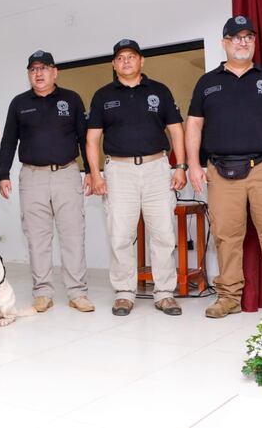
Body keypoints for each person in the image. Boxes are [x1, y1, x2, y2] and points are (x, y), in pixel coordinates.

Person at [185, 16, 262, 318]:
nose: (243, 42)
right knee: (226, 237)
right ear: (225, 43)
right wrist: (193, 165)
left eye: (248, 37)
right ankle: (228, 297)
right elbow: (194, 126)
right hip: (221, 171)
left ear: (253, 42)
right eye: (236, 37)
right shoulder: (207, 83)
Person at [86, 39, 186, 317]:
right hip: (118, 172)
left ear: (142, 61)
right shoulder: (103, 96)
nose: (126, 61)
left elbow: (176, 130)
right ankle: (124, 293)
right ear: (114, 64)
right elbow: (92, 139)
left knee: (163, 234)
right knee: (120, 235)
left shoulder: (159, 91)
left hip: (157, 169)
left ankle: (165, 293)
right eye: (120, 58)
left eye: (131, 56)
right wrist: (95, 175)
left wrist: (181, 166)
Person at [0, 50, 95, 314]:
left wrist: (89, 171)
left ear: (55, 72)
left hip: (66, 174)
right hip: (32, 177)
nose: (38, 74)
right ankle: (42, 292)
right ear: (29, 74)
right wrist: (3, 174)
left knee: (73, 234)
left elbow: (84, 138)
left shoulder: (71, 100)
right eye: (33, 69)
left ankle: (78, 293)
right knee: (37, 237)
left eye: (43, 68)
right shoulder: (19, 103)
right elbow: (8, 141)